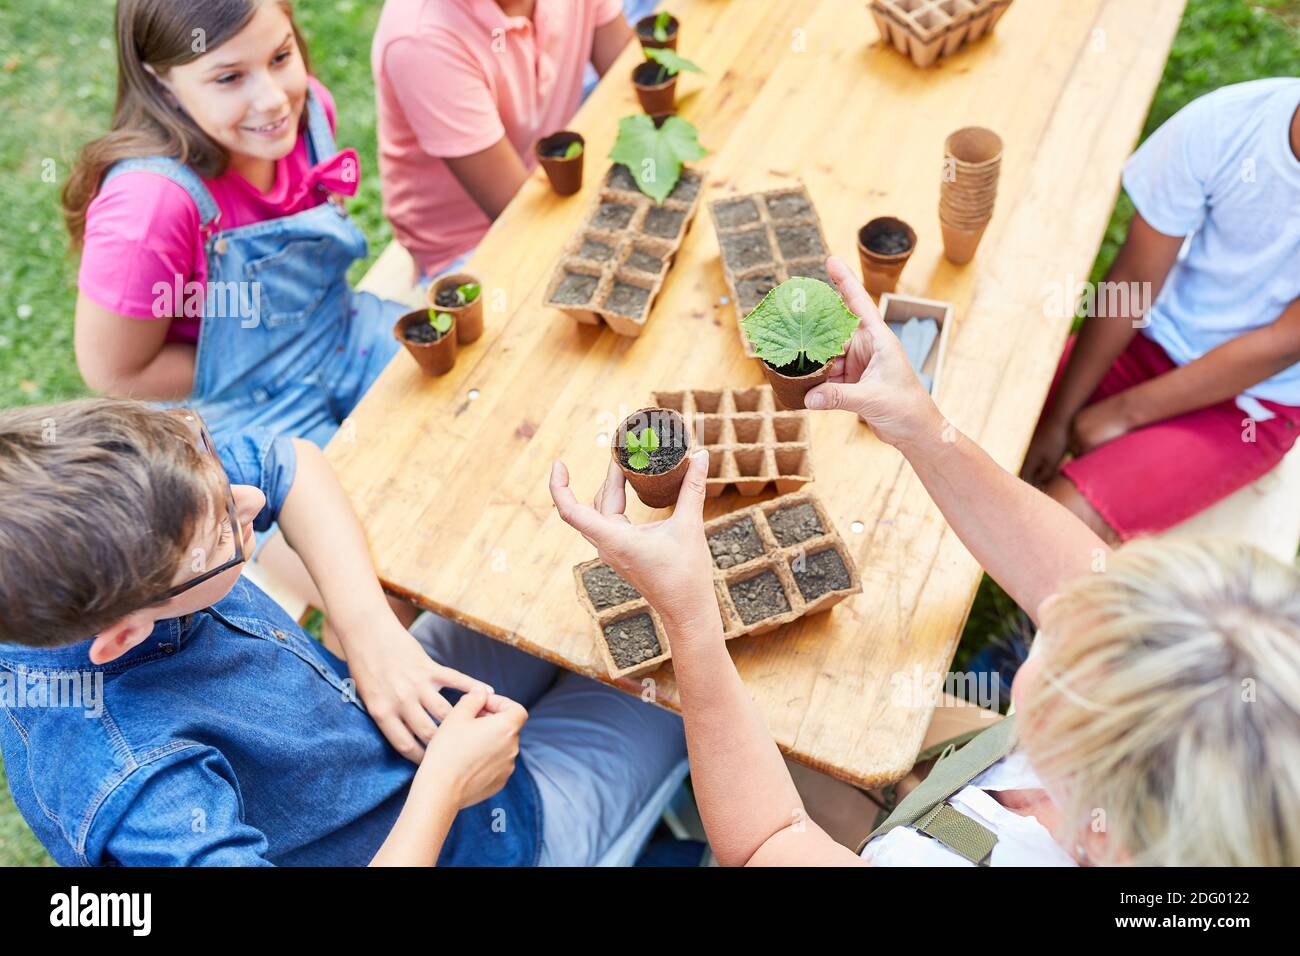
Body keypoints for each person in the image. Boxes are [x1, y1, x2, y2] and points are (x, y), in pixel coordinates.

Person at [551, 256, 1300, 866]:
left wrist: (690, 620)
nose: (1074, 599)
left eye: (1073, 646)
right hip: (960, 794)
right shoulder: (1191, 788)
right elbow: (1078, 579)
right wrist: (920, 426)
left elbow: (769, 841)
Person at [0, 399, 685, 866]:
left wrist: (371, 637)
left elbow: (284, 462)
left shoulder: (109, 503)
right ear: (121, 636)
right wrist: (446, 786)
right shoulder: (146, 792)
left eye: (208, 455)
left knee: (572, 605)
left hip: (386, 707)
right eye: (224, 536)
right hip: (484, 838)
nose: (253, 504)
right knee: (680, 683)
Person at [66, 0, 405, 449]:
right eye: (229, 78)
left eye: (280, 57)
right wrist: (252, 358)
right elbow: (114, 371)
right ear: (161, 83)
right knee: (358, 503)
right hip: (234, 404)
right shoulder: (149, 207)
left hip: (343, 334)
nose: (273, 101)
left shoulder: (309, 115)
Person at [1021, 78, 1300, 542]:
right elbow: (1134, 279)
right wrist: (1056, 419)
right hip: (1149, 335)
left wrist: (1124, 413)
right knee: (989, 426)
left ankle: (1048, 610)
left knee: (1055, 528)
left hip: (1253, 402)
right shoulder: (1223, 122)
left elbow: (1282, 344)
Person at [371, 0, 634, 281]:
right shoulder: (422, 40)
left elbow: (634, 88)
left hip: (553, 168)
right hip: (474, 240)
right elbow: (520, 218)